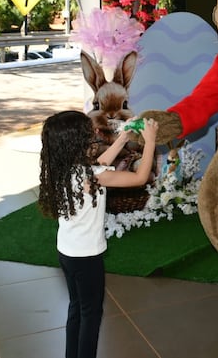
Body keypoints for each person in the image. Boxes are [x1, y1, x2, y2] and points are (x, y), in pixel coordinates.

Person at [38, 110, 158, 358]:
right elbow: (140, 177)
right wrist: (151, 141)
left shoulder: (64, 169)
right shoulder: (91, 176)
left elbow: (99, 166)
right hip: (86, 258)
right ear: (76, 142)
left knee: (77, 308)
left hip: (67, 253)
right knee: (91, 314)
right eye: (88, 132)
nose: (94, 133)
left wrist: (122, 139)